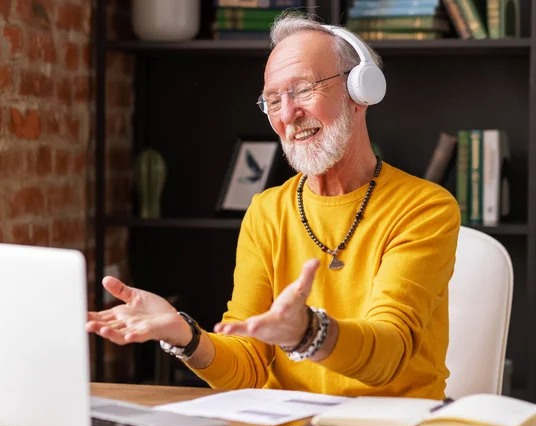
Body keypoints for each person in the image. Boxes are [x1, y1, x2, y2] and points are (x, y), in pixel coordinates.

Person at [87, 12, 460, 399]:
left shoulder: (424, 208)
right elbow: (247, 365)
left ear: (359, 92)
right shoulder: (267, 211)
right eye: (272, 100)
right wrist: (184, 336)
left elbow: (388, 354)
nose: (286, 115)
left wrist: (307, 333)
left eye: (302, 90)